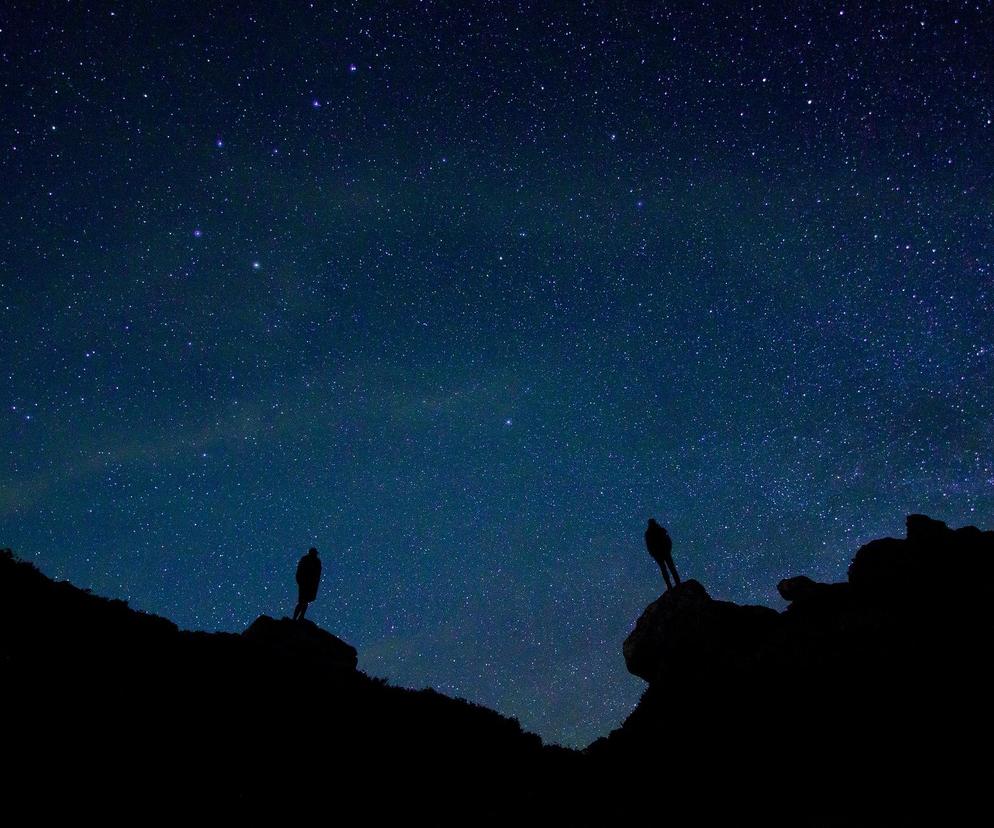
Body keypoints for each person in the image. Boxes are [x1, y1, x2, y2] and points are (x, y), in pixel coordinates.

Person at [645, 519, 680, 590]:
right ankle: (676, 583)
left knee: (665, 569)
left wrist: (653, 553)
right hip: (663, 553)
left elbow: (649, 546)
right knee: (670, 568)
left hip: (660, 553)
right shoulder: (660, 530)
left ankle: (671, 585)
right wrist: (668, 549)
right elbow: (668, 540)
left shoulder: (649, 533)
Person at [292, 547, 322, 621]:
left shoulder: (315, 561)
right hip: (305, 583)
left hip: (310, 584)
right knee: (302, 601)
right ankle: (296, 618)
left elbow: (317, 574)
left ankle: (299, 617)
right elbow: (300, 571)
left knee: (305, 601)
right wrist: (300, 581)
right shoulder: (307, 560)